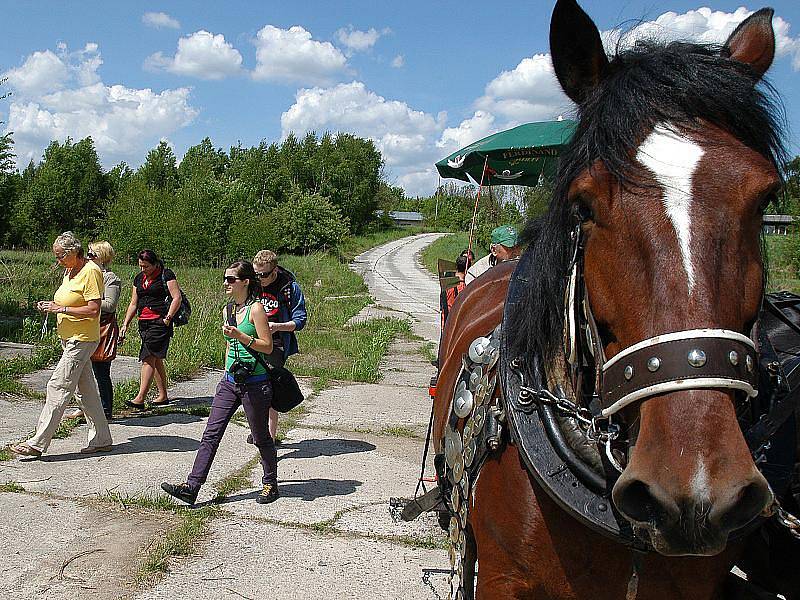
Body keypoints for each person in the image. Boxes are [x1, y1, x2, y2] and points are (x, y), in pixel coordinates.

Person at [161, 261, 278, 505]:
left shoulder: (256, 310)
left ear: (245, 282)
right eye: (225, 278)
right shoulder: (227, 310)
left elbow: (267, 346)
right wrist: (226, 372)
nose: (226, 283)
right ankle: (192, 487)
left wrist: (242, 337)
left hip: (255, 382)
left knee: (260, 437)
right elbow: (228, 345)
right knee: (211, 434)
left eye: (231, 279)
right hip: (230, 381)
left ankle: (270, 483)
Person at [10, 232, 112, 457]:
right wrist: (51, 305)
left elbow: (94, 309)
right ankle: (102, 439)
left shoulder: (91, 271)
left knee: (57, 386)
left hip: (82, 340)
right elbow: (69, 299)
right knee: (87, 393)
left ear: (73, 252)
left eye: (60, 256)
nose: (57, 261)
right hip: (69, 339)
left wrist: (61, 309)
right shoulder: (70, 270)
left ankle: (37, 443)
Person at [251, 250, 307, 442]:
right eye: (255, 273)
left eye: (263, 274)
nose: (259, 278)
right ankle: (259, 430)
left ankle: (270, 437)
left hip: (277, 344)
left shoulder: (289, 288)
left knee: (269, 389)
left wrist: (277, 327)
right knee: (252, 388)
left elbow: (300, 321)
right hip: (251, 341)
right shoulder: (253, 285)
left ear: (274, 270)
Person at [65, 241, 122, 421]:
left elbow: (110, 305)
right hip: (83, 327)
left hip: (102, 329)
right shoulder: (84, 273)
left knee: (101, 371)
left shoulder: (110, 278)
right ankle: (84, 407)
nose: (87, 257)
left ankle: (105, 410)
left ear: (102, 257)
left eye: (92, 254)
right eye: (87, 253)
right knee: (81, 371)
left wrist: (87, 302)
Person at [119, 250, 183, 409]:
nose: (143, 270)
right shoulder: (139, 278)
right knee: (156, 358)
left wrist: (168, 318)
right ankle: (163, 396)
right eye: (140, 266)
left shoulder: (166, 274)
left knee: (148, 357)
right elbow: (134, 303)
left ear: (155, 264)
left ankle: (140, 398)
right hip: (144, 323)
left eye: (146, 266)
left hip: (159, 323)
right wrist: (125, 323)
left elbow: (177, 297)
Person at [440, 253, 468, 326]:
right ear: (467, 269)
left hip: (445, 320)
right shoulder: (463, 287)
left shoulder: (448, 282)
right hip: (456, 323)